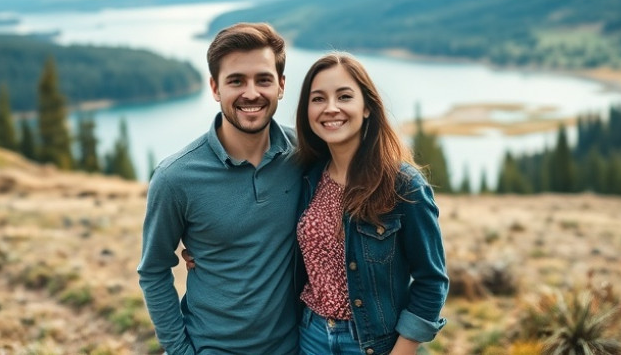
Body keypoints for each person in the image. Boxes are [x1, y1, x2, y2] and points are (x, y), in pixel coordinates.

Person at [138, 22, 301, 355]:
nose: (251, 93)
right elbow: (154, 270)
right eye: (236, 81)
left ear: (281, 86)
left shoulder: (307, 155)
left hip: (297, 347)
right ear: (214, 87)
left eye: (264, 79)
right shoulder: (175, 178)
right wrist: (180, 351)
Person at [294, 52, 448, 355]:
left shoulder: (403, 185)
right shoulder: (305, 177)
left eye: (344, 96)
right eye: (318, 99)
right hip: (309, 336)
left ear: (367, 107)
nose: (331, 108)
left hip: (372, 344)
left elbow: (432, 282)